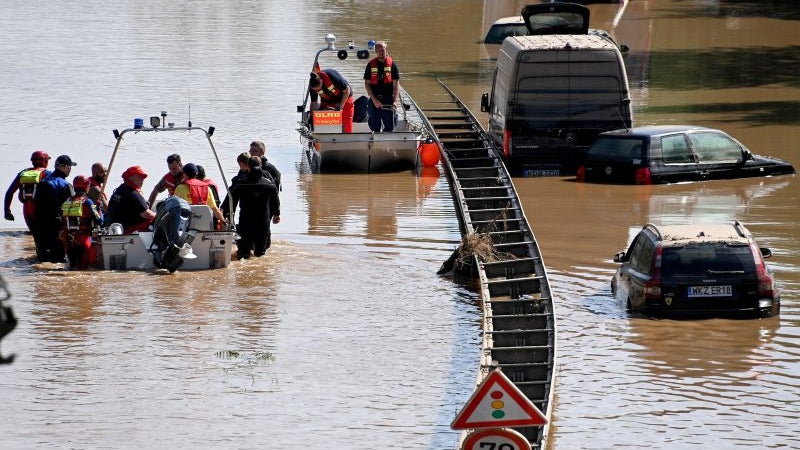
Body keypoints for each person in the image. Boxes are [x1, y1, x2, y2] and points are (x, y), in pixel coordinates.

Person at [222, 155, 280, 260]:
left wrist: (228, 217)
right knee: (260, 254)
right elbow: (275, 201)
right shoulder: (269, 184)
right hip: (263, 223)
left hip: (246, 223)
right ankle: (261, 274)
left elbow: (231, 202)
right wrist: (277, 214)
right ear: (261, 166)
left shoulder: (240, 184)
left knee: (243, 254)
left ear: (248, 167)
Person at [32, 155, 76, 263]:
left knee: (42, 258)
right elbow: (72, 209)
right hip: (56, 226)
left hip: (39, 224)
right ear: (65, 167)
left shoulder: (42, 182)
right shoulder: (65, 185)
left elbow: (35, 203)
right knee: (58, 259)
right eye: (70, 166)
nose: (70, 169)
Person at [59, 175, 103, 270]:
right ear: (87, 187)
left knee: (72, 268)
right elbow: (99, 221)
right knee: (83, 269)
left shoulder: (67, 201)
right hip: (84, 240)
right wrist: (99, 208)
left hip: (69, 241)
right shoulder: (88, 202)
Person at [4, 151, 53, 232]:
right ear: (45, 161)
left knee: (33, 231)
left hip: (26, 208)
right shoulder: (47, 174)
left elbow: (10, 192)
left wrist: (7, 211)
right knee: (42, 233)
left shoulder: (23, 173)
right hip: (40, 209)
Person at [364, 40, 400, 132]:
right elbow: (367, 84)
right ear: (376, 51)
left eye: (382, 50)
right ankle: (375, 140)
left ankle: (386, 140)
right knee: (374, 125)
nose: (381, 52)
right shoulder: (370, 65)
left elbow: (396, 84)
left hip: (388, 99)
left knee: (390, 126)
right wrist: (374, 100)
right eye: (378, 50)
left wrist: (395, 101)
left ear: (386, 50)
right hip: (374, 98)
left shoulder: (392, 65)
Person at [106, 166, 156, 234]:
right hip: (127, 230)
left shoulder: (119, 190)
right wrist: (158, 216)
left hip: (115, 228)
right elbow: (147, 215)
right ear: (131, 177)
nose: (142, 179)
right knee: (156, 220)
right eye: (140, 177)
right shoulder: (132, 193)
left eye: (143, 177)